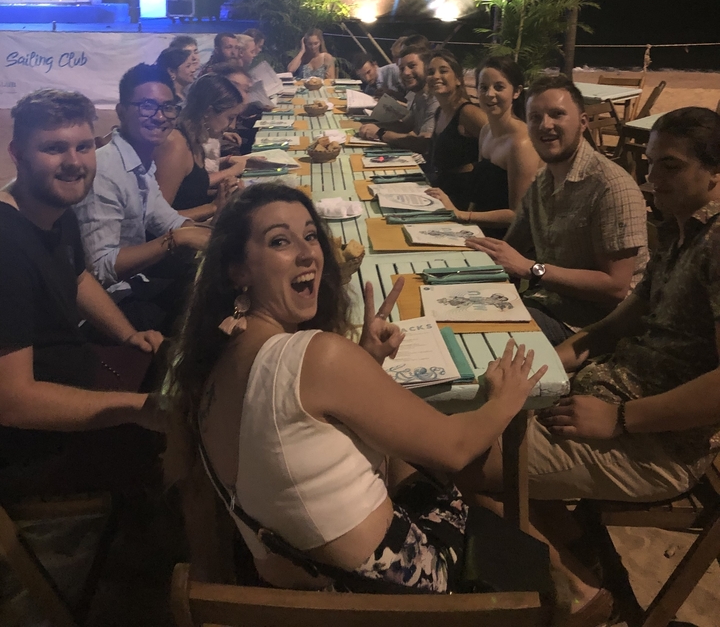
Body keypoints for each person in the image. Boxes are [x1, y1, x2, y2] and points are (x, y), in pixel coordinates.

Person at [166, 183, 545, 591]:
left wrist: (364, 362)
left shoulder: (214, 360)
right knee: (458, 465)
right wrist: (506, 398)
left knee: (403, 447)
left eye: (311, 235)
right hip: (388, 589)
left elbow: (291, 428)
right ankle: (571, 589)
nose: (308, 253)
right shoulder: (318, 357)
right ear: (238, 270)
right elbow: (456, 448)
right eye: (280, 241)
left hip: (302, 584)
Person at [457, 107, 720, 625]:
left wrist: (621, 419)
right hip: (600, 398)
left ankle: (581, 593)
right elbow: (611, 329)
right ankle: (581, 552)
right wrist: (540, 365)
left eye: (670, 166)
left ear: (715, 172)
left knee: (451, 454)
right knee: (473, 411)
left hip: (658, 445)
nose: (652, 178)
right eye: (650, 164)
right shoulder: (681, 234)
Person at [0, 90, 164, 500]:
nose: (74, 161)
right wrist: (138, 409)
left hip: (77, 377)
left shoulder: (54, 211)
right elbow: (13, 402)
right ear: (17, 154)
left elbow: (77, 280)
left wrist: (128, 335)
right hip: (30, 447)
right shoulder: (6, 245)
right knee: (187, 451)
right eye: (54, 148)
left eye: (83, 146)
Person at [466, 75, 648, 345]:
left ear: (583, 122)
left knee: (483, 339)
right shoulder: (543, 180)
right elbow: (511, 247)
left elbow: (616, 287)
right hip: (546, 301)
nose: (545, 125)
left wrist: (533, 269)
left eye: (557, 114)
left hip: (595, 322)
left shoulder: (610, 186)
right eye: (535, 117)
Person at [75, 63, 210, 334]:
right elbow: (101, 268)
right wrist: (176, 240)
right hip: (102, 310)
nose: (160, 117)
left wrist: (227, 234)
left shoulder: (140, 163)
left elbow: (170, 220)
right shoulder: (105, 170)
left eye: (168, 107)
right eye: (147, 106)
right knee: (208, 311)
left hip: (133, 287)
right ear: (121, 111)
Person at [428, 56, 540, 239]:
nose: (489, 94)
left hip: (507, 240)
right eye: (483, 87)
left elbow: (517, 215)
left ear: (517, 92)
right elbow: (478, 192)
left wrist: (462, 215)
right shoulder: (486, 131)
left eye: (499, 87)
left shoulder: (521, 143)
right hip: (479, 230)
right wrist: (462, 222)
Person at [154, 75, 246, 220]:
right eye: (230, 118)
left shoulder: (195, 138)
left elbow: (191, 191)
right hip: (183, 231)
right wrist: (213, 207)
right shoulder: (177, 145)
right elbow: (158, 217)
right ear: (208, 112)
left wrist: (225, 192)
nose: (232, 126)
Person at [424, 50, 487, 208]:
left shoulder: (468, 113)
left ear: (458, 79)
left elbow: (499, 144)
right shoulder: (440, 112)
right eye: (430, 72)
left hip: (462, 199)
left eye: (443, 71)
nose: (436, 76)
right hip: (441, 190)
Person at [358, 45, 438, 154]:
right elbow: (404, 125)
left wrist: (380, 133)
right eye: (402, 69)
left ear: (427, 67)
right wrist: (372, 127)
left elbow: (423, 144)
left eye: (412, 66)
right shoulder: (419, 95)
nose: (406, 72)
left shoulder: (435, 99)